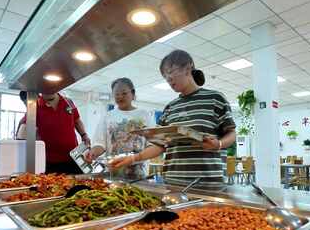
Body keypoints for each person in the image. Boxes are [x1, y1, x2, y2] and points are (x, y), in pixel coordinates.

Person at [109, 50, 236, 190]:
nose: (168, 78)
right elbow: (159, 145)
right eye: (165, 75)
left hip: (208, 182)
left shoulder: (215, 99)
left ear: (188, 68)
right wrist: (133, 158)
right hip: (173, 181)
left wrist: (218, 144)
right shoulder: (170, 107)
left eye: (170, 72)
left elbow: (231, 134)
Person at [85, 78, 154, 179]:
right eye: (116, 94)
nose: (120, 97)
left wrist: (138, 157)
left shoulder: (144, 115)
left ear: (133, 93)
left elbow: (152, 143)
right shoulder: (107, 116)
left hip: (139, 172)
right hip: (113, 172)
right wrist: (93, 153)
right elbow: (100, 143)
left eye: (124, 93)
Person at [17, 92, 90, 174]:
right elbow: (23, 130)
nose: (49, 89)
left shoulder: (68, 102)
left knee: (80, 185)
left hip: (74, 158)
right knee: (54, 185)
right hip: (51, 162)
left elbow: (77, 120)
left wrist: (84, 135)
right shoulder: (35, 106)